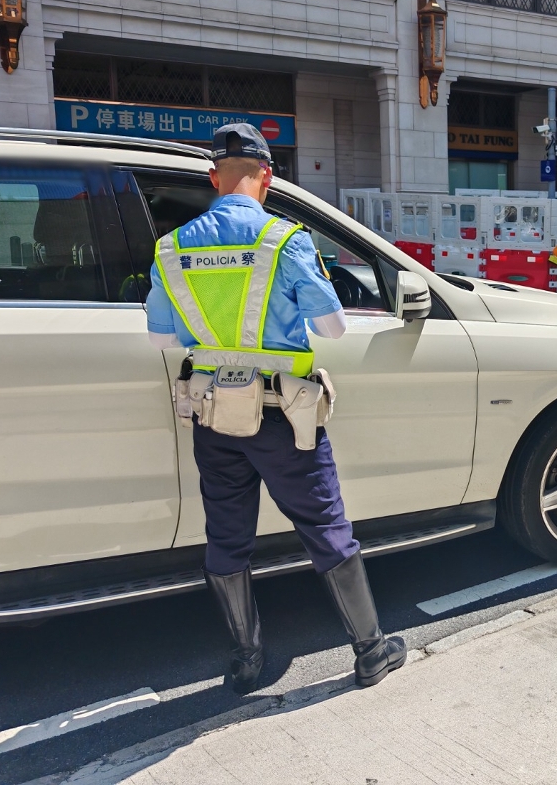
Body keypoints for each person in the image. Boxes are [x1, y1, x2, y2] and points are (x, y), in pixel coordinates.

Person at [145, 123, 406, 692]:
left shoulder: (171, 248)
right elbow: (332, 327)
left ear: (214, 177)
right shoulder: (284, 241)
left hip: (215, 415)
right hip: (284, 416)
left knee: (226, 535)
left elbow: (161, 338)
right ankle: (371, 651)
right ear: (266, 177)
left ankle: (245, 660)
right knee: (324, 526)